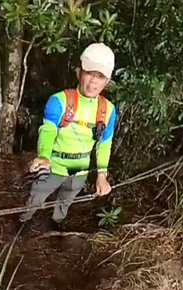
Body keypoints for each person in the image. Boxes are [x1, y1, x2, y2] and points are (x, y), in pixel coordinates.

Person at [19, 42, 118, 231]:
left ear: (107, 81)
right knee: (37, 196)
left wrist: (102, 175)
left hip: (80, 169)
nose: (94, 81)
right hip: (53, 164)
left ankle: (57, 221)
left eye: (100, 76)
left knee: (67, 198)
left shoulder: (108, 110)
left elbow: (105, 142)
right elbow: (48, 130)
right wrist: (44, 156)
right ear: (79, 72)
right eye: (90, 73)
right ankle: (24, 219)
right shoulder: (60, 101)